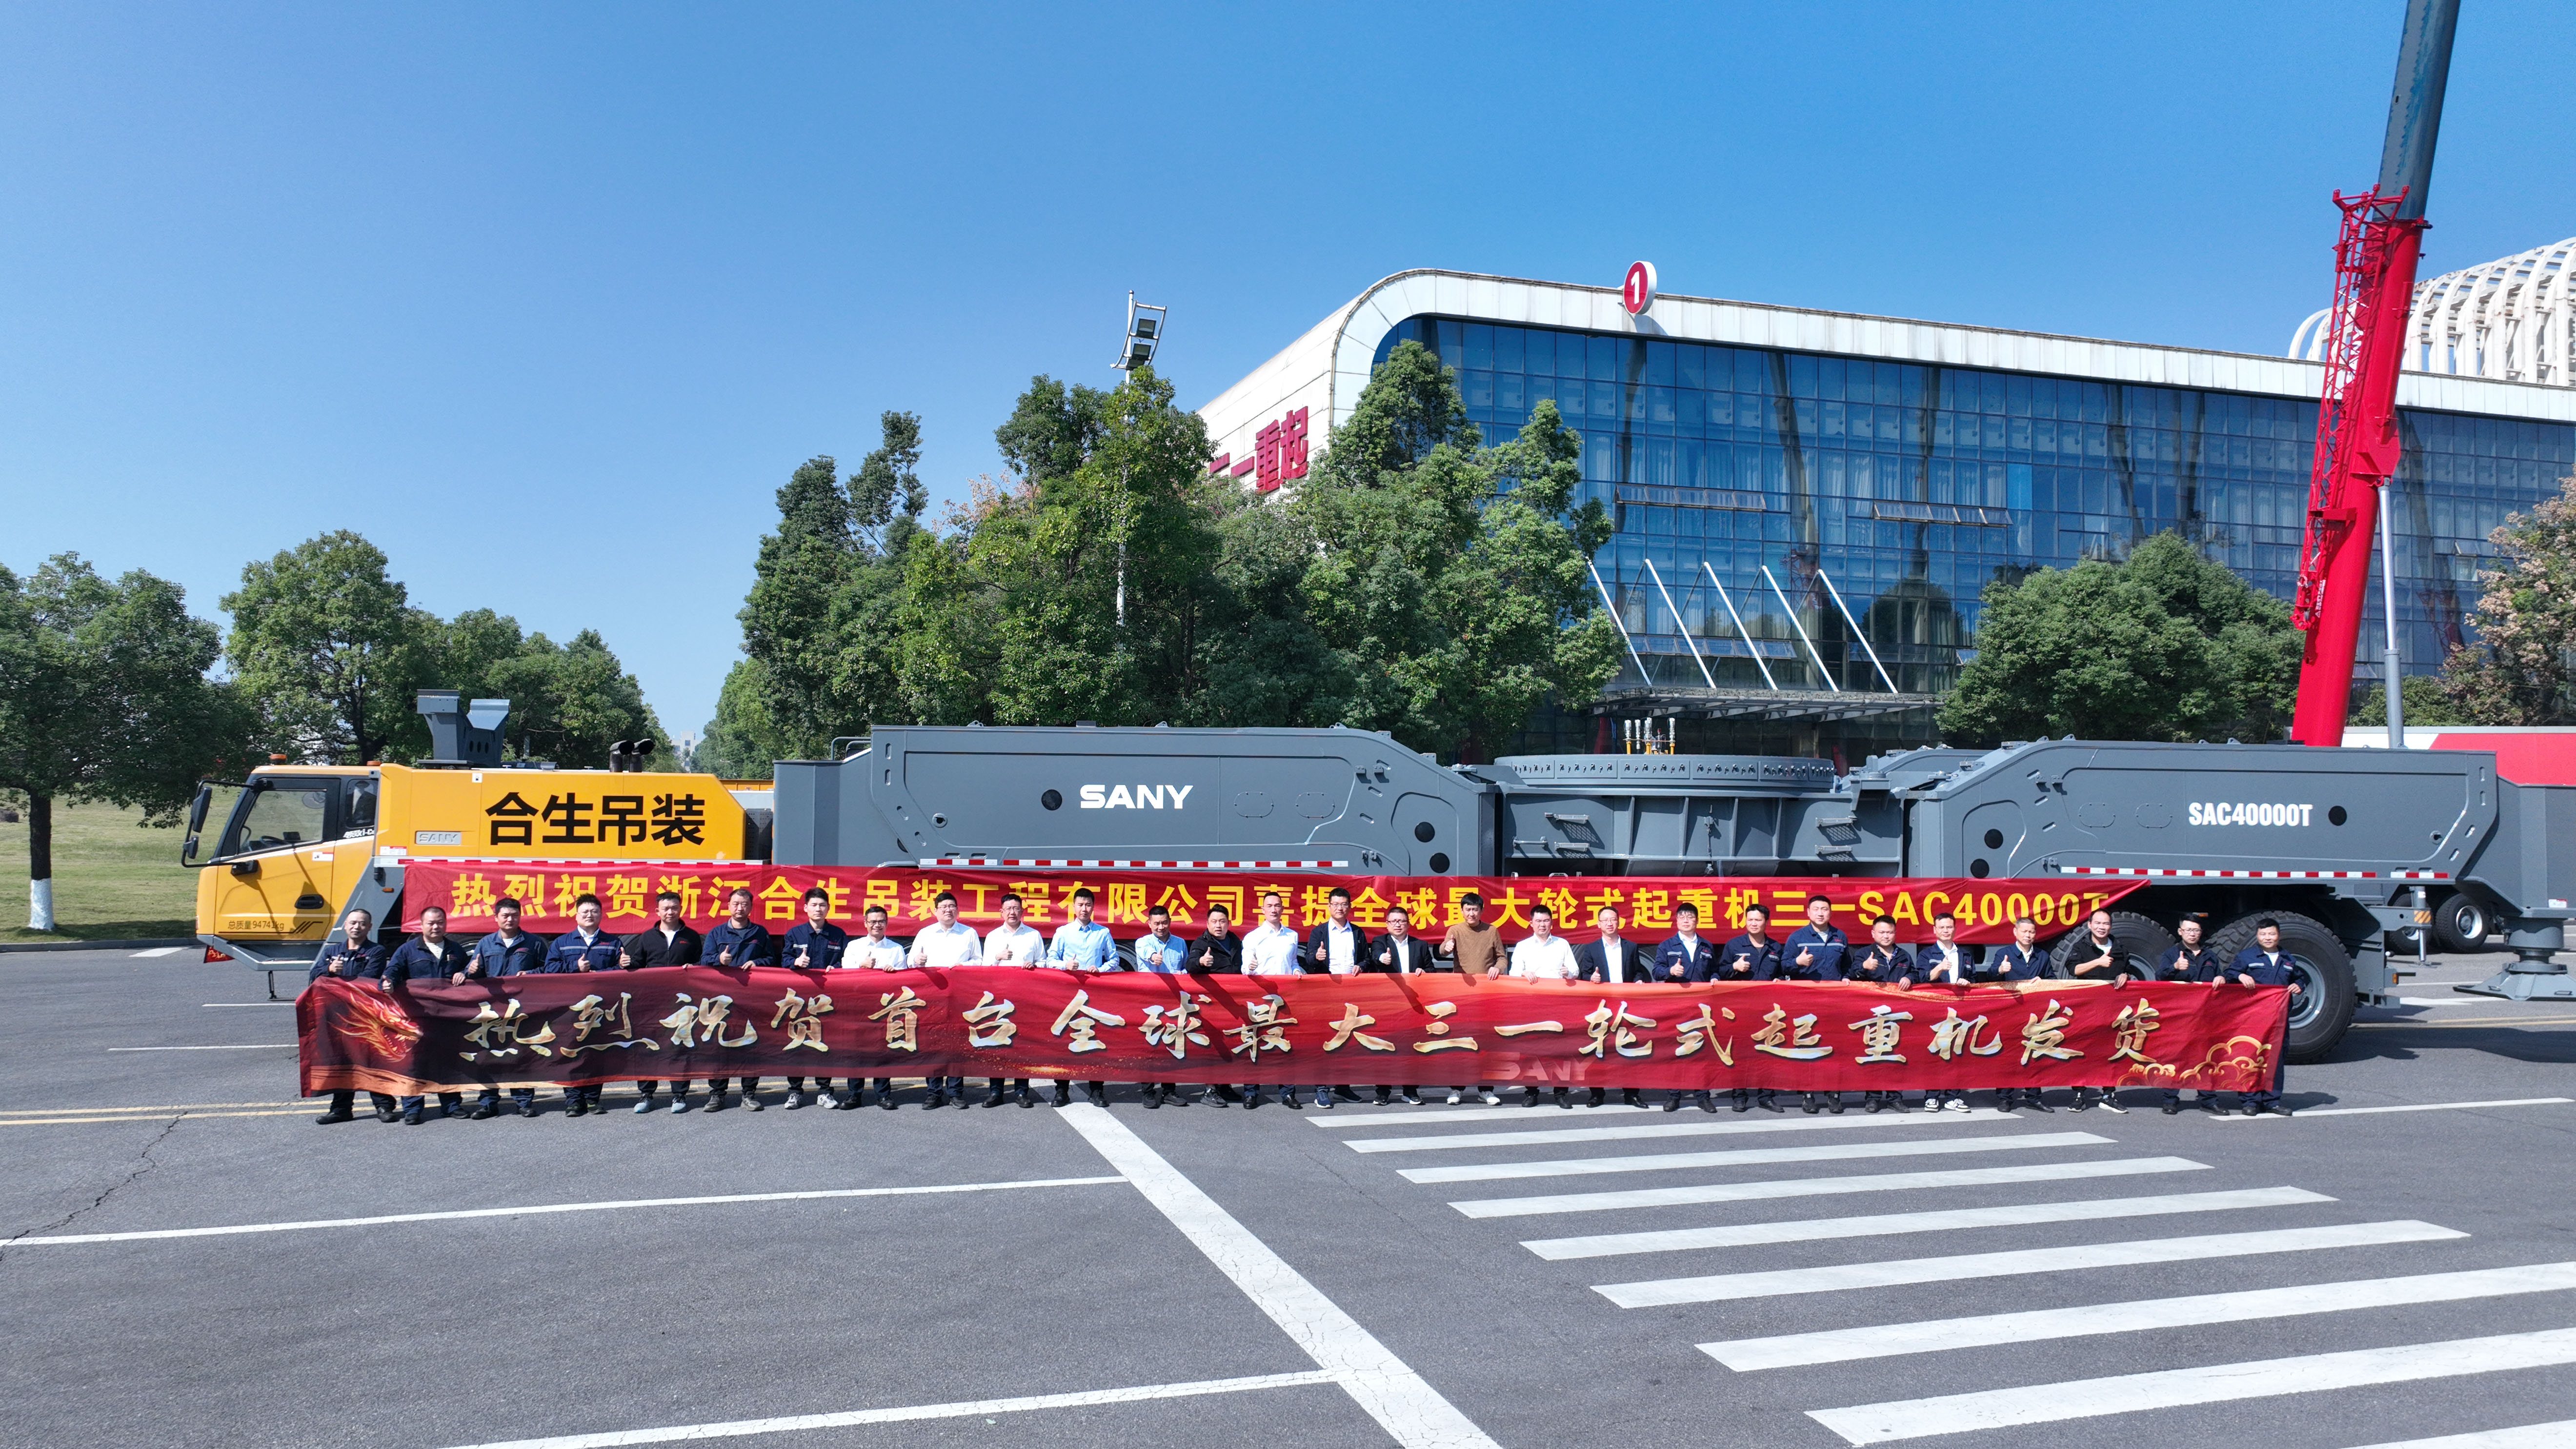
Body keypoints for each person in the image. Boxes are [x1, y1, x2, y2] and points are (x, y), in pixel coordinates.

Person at [382, 906, 472, 1124]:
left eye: (440, 922)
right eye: (431, 923)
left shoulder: (455, 949)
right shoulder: (408, 950)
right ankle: (413, 1109)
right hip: (417, 1016)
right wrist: (388, 981)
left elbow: (469, 969)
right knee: (414, 1062)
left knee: (449, 1061)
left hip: (447, 1016)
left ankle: (451, 1105)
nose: (436, 927)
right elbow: (393, 970)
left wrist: (465, 972)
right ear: (421, 925)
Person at [619, 891, 703, 1115]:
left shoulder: (692, 937)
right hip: (652, 1000)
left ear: (681, 909)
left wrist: (696, 968)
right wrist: (626, 962)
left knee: (679, 1046)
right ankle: (646, 1094)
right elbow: (638, 963)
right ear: (657, 911)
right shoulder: (647, 937)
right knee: (648, 1046)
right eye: (665, 909)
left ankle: (679, 1095)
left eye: (674, 908)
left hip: (682, 1001)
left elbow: (702, 963)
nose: (670, 912)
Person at [695, 886, 777, 1112]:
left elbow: (772, 959)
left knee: (751, 1045)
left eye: (745, 904)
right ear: (728, 906)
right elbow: (704, 960)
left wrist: (757, 963)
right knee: (719, 1046)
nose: (740, 908)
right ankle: (717, 1095)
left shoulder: (760, 933)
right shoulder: (717, 933)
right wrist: (719, 959)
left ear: (751, 908)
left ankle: (749, 1093)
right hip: (722, 998)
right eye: (736, 904)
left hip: (751, 997)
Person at [466, 897, 549, 1118]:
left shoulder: (534, 943)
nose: (510, 919)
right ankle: (488, 1103)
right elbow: (472, 972)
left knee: (521, 1055)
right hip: (492, 1009)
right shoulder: (486, 943)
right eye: (505, 916)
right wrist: (471, 971)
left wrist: (531, 973)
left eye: (514, 915)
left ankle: (523, 1102)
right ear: (496, 918)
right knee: (488, 1056)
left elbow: (550, 969)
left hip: (522, 1010)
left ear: (520, 917)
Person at [310, 908, 394, 1125]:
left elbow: (368, 979)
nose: (357, 927)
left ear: (369, 927)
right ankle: (341, 1109)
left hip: (366, 1016)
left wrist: (339, 981)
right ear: (345, 926)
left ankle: (384, 1105)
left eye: (362, 924)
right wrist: (329, 969)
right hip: (338, 1015)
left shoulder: (376, 951)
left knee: (372, 1060)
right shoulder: (332, 951)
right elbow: (314, 977)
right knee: (343, 1060)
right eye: (353, 923)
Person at [544, 895, 622, 1116]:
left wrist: (601, 973)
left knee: (597, 1053)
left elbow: (621, 971)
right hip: (570, 1008)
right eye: (585, 912)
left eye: (594, 912)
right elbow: (549, 969)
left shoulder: (613, 942)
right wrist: (574, 967)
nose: (590, 915)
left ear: (601, 915)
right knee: (570, 1053)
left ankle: (593, 1099)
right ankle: (573, 1101)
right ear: (576, 915)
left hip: (600, 1009)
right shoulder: (562, 942)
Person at [1046, 887, 1122, 1107]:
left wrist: (1101, 969)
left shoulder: (1103, 932)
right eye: (1080, 905)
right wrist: (1066, 965)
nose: (1084, 909)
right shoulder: (1063, 932)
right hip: (1068, 994)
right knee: (1064, 1041)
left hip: (1094, 994)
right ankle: (1061, 1090)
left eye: (1088, 905)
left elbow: (1115, 959)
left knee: (1096, 1040)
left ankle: (1097, 1090)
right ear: (1073, 907)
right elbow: (1051, 959)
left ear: (1093, 907)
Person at [2220, 919, 2303, 1116]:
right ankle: (2250, 1101)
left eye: (2272, 934)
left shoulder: (2288, 959)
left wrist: (2299, 986)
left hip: (2278, 1020)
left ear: (2279, 936)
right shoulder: (2247, 957)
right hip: (2253, 1019)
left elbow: (2299, 978)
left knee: (2275, 1059)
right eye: (2263, 934)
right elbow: (2229, 973)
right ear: (2257, 936)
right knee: (2250, 1057)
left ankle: (2272, 1101)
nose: (2268, 938)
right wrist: (2240, 976)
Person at [907, 891, 981, 1108]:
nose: (948, 910)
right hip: (932, 996)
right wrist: (917, 960)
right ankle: (933, 1092)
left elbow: (979, 961)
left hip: (959, 996)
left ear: (957, 910)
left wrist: (962, 967)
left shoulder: (969, 933)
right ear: (935, 911)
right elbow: (910, 961)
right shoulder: (926, 933)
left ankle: (956, 1093)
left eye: (952, 906)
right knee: (933, 1043)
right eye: (944, 907)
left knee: (957, 1044)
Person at [1573, 905, 1651, 1107]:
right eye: (1605, 920)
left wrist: (1639, 980)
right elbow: (1584, 975)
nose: (1610, 923)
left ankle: (1631, 1094)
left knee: (1629, 1049)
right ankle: (1597, 1094)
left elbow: (1638, 971)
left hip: (1626, 1005)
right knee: (1599, 1050)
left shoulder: (1631, 947)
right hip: (1602, 1006)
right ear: (1599, 924)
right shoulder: (1592, 948)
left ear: (1619, 922)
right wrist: (1592, 978)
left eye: (1613, 920)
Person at [780, 887, 850, 1109]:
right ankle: (795, 1092)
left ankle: (825, 1091)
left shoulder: (838, 934)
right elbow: (783, 960)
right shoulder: (795, 934)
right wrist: (795, 963)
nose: (818, 909)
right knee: (797, 1042)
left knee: (824, 1043)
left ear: (828, 908)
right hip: (800, 998)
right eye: (814, 905)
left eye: (822, 905)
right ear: (806, 908)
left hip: (827, 998)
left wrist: (837, 967)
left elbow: (847, 961)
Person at [1781, 895, 1851, 1114]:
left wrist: (1847, 977)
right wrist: (1797, 962)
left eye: (1825, 909)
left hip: (1834, 1002)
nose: (1821, 913)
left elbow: (1847, 967)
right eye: (1816, 909)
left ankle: (1834, 1095)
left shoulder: (1840, 937)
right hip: (1807, 1002)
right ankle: (1808, 1095)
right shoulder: (1797, 938)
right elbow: (1784, 966)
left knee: (1834, 1048)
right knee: (1808, 1047)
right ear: (1808, 913)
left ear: (1831, 912)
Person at [1435, 892, 1505, 1105]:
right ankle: (1457, 1089)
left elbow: (1502, 958)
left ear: (1482, 911)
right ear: (1462, 911)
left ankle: (1486, 1090)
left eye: (1475, 909)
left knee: (1486, 1042)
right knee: (1460, 1041)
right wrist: (1447, 948)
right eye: (1468, 909)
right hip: (1462, 995)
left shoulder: (1492, 930)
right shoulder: (1455, 930)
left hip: (1487, 995)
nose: (1471, 913)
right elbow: (1442, 950)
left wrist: (1498, 968)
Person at [1982, 916, 2056, 1112]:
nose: (2028, 935)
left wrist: (2044, 982)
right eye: (2024, 931)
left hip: (2035, 1014)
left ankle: (2034, 1097)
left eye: (2032, 932)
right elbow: (1990, 976)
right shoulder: (2004, 954)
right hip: (2010, 1012)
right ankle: (2005, 1098)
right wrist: (2000, 970)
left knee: (2034, 1054)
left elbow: (2053, 980)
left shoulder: (2042, 956)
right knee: (2008, 1055)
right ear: (2015, 932)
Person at [1239, 891, 1305, 1109]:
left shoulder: (1292, 936)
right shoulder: (1253, 937)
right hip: (1259, 997)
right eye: (1269, 906)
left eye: (1277, 905)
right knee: (1255, 1044)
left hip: (1285, 998)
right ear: (1263, 910)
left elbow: (1293, 962)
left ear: (1283, 909)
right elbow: (1245, 968)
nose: (1274, 910)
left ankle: (1287, 1093)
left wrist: (1297, 971)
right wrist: (1250, 967)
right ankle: (1251, 1093)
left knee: (1286, 1045)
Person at [1367, 904, 1439, 1105]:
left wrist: (1424, 972)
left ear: (1408, 924)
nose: (1398, 925)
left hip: (1413, 1004)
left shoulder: (1420, 945)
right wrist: (1383, 958)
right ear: (1387, 924)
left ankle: (1410, 1090)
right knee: (1385, 1047)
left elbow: (1431, 969)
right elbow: (1377, 956)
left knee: (1412, 1048)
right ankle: (1383, 1091)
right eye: (1394, 921)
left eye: (1402, 921)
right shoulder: (1380, 941)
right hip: (1389, 1004)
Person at [1509, 905, 1580, 1107]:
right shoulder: (1523, 946)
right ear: (1531, 923)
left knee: (1561, 1049)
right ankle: (1532, 1092)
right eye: (1538, 921)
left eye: (1546, 921)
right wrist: (1523, 973)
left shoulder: (1562, 944)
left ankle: (1561, 1093)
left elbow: (1575, 970)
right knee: (1532, 1048)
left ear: (1552, 923)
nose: (1542, 925)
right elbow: (1513, 973)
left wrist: (1568, 972)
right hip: (1533, 1003)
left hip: (1559, 1003)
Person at [1305, 887, 1370, 1109]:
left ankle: (1343, 1086)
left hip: (1351, 993)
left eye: (1344, 904)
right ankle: (1321, 1088)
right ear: (1329, 907)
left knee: (1348, 1039)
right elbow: (1308, 959)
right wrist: (1317, 956)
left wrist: (1361, 966)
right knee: (1325, 1039)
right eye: (1335, 904)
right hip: (1326, 992)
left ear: (1349, 907)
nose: (1340, 908)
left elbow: (1367, 959)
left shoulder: (1358, 932)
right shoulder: (1319, 932)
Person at [980, 893, 1046, 1107]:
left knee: (1022, 1045)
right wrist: (997, 958)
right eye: (1008, 909)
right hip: (999, 998)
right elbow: (982, 968)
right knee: (997, 1044)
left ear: (1022, 911)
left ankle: (1021, 1092)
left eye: (1016, 908)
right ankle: (996, 1092)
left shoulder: (1033, 935)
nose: (1012, 913)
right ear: (1001, 912)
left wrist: (1034, 966)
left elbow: (1044, 963)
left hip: (1025, 997)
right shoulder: (993, 937)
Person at [1846, 915, 1916, 1112]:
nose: (1886, 936)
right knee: (1874, 1056)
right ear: (1873, 933)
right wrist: (1864, 968)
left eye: (1890, 932)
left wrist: (1910, 978)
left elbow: (1916, 973)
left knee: (1896, 1056)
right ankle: (1873, 1098)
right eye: (1882, 932)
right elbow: (1850, 976)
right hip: (1872, 1015)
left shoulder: (1904, 955)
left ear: (1895, 933)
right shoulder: (1863, 954)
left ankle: (1895, 1097)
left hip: (1897, 1014)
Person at [1656, 903, 1721, 1113]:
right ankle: (1674, 1095)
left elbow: (1715, 970)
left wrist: (1715, 978)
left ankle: (1703, 1096)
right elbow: (1656, 971)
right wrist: (1670, 971)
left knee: (1702, 1051)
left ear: (1697, 921)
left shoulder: (1706, 945)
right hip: (1676, 1006)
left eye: (1690, 917)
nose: (1686, 920)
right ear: (1676, 921)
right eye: (1682, 917)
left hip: (1702, 1007)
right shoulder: (1667, 945)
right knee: (1676, 1050)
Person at [2059, 908, 2127, 1111]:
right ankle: (2079, 1094)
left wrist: (2125, 975)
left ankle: (2108, 1094)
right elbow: (2074, 969)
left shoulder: (2120, 949)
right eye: (2097, 923)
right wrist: (2098, 962)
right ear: (2090, 925)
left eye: (2106, 924)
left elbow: (2125, 970)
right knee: (2083, 1051)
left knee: (2110, 1051)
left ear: (2111, 927)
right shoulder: (2081, 947)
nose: (2101, 927)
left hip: (2111, 1010)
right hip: (2086, 1009)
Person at [1719, 904, 1784, 1112]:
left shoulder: (1776, 947)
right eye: (1750, 920)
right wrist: (1734, 967)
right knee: (1741, 1052)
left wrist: (1780, 980)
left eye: (1758, 920)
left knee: (1768, 1052)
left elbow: (1782, 973)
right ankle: (1739, 1096)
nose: (1754, 924)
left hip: (1768, 1010)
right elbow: (1720, 972)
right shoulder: (1734, 945)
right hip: (1742, 1008)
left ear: (1766, 922)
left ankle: (1766, 1096)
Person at [2155, 917, 2219, 1114]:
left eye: (2196, 930)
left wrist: (2221, 977)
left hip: (2205, 1015)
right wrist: (2175, 968)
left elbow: (2219, 977)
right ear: (2180, 932)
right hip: (2179, 1015)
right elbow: (2159, 977)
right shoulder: (2171, 954)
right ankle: (2170, 1100)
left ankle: (2208, 1100)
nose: (2192, 934)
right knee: (2176, 1057)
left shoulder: (2210, 956)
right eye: (2188, 930)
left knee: (2206, 1057)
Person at [1131, 905, 1191, 1107]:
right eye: (1156, 923)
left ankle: (1169, 1091)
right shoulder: (1143, 942)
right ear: (1149, 924)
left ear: (1170, 922)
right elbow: (1148, 954)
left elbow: (1185, 968)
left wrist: (1183, 974)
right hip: (1149, 1003)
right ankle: (1148, 1092)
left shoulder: (1180, 943)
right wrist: (1154, 958)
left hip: (1173, 1001)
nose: (1161, 927)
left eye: (1164, 923)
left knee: (1172, 1045)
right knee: (1149, 1046)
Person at [851, 905, 910, 1109]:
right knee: (856, 1050)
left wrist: (895, 973)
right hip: (859, 1005)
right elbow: (843, 975)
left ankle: (883, 1095)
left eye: (881, 921)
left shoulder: (896, 949)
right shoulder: (854, 946)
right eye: (873, 922)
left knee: (883, 1050)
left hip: (886, 1007)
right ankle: (854, 1095)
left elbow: (905, 979)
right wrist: (861, 966)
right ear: (865, 923)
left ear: (887, 923)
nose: (877, 925)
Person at [1184, 904, 1243, 1106]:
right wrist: (1201, 962)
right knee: (1212, 1046)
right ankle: (1210, 1090)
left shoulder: (1235, 941)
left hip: (1232, 1004)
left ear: (1229, 923)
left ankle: (1224, 1085)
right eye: (1214, 922)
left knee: (1231, 1044)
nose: (1219, 926)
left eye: (1222, 922)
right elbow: (1190, 965)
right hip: (1211, 1004)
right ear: (1208, 924)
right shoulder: (1202, 943)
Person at [1918, 912, 1973, 1112]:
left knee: (1957, 1052)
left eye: (1949, 927)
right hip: (1935, 1009)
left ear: (1955, 929)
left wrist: (1967, 982)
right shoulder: (1927, 954)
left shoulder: (1965, 954)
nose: (1946, 931)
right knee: (1935, 1052)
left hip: (1959, 1008)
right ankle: (1932, 1096)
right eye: (1941, 927)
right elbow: (1921, 979)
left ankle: (1953, 1096)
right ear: (1935, 930)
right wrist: (1939, 968)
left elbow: (1974, 980)